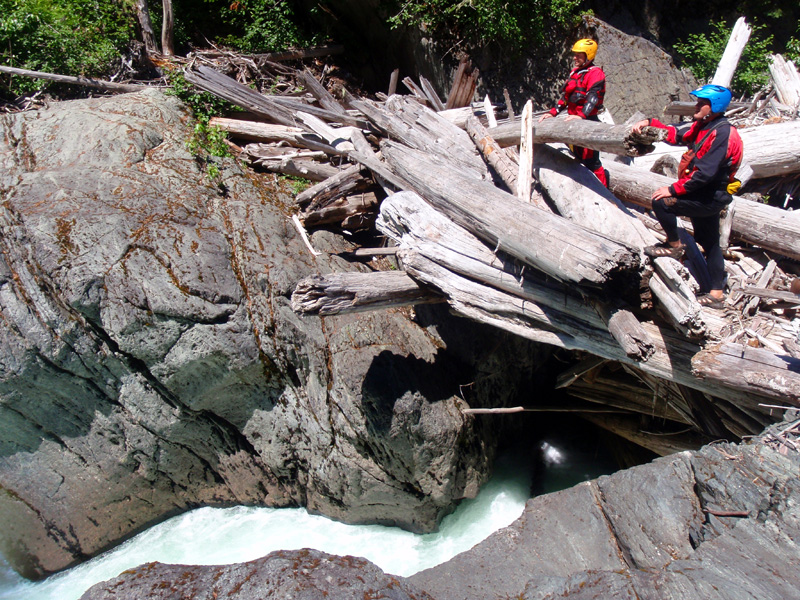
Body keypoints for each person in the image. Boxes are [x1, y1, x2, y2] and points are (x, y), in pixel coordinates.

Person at [631, 84, 743, 308]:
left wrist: (672, 190)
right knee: (710, 243)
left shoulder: (721, 134)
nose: (697, 105)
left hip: (709, 195)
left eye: (702, 103)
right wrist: (651, 123)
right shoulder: (706, 125)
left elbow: (704, 174)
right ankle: (716, 294)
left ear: (714, 107)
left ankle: (674, 245)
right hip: (709, 194)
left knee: (661, 202)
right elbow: (678, 135)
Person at [538, 38, 608, 187]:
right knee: (577, 157)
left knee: (592, 162)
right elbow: (566, 97)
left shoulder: (596, 73)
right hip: (573, 122)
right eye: (574, 54)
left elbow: (593, 98)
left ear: (588, 55)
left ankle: (606, 193)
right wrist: (553, 113)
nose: (575, 58)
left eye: (579, 55)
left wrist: (581, 116)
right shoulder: (576, 72)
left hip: (588, 122)